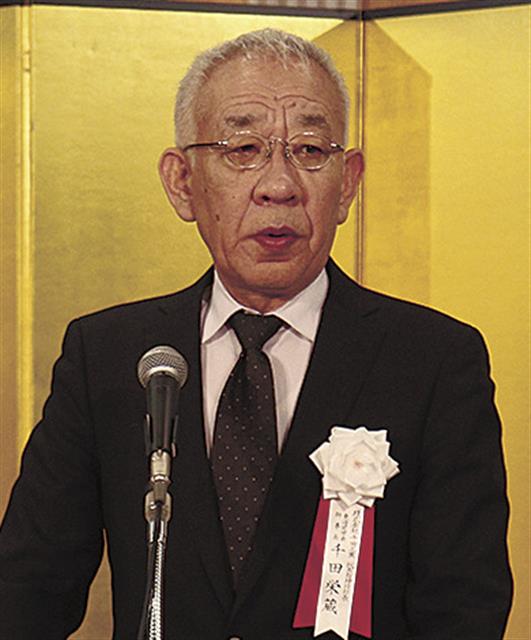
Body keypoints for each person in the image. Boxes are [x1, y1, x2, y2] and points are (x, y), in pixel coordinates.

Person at [0, 29, 512, 639]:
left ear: (348, 183)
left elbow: (464, 609)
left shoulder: (433, 363)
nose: (279, 185)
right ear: (182, 182)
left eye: (310, 150)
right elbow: (26, 593)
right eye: (243, 148)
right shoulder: (110, 356)